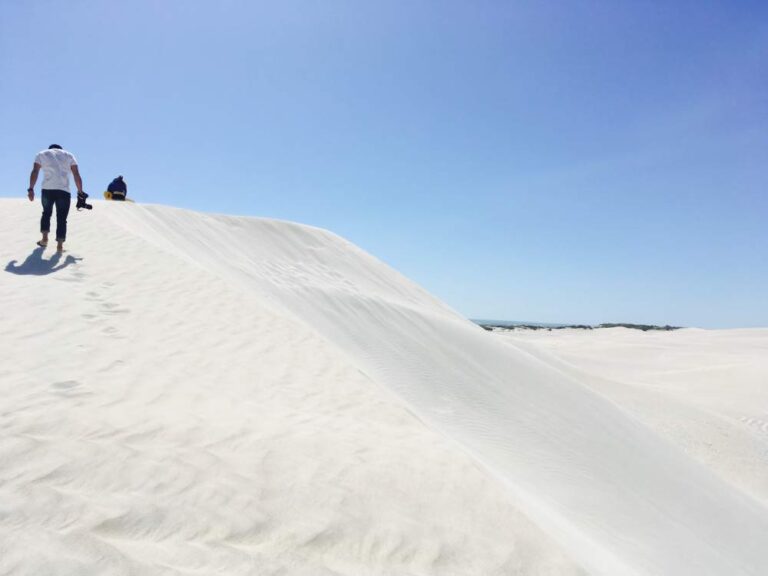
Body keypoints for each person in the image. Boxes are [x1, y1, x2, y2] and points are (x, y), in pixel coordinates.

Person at [27, 144, 84, 253]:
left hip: (47, 189)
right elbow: (76, 174)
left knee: (46, 213)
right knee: (62, 218)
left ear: (51, 149)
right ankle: (60, 246)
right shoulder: (69, 155)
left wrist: (31, 189)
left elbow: (35, 171)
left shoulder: (42, 154)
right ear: (60, 149)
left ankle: (44, 239)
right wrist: (80, 191)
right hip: (64, 191)